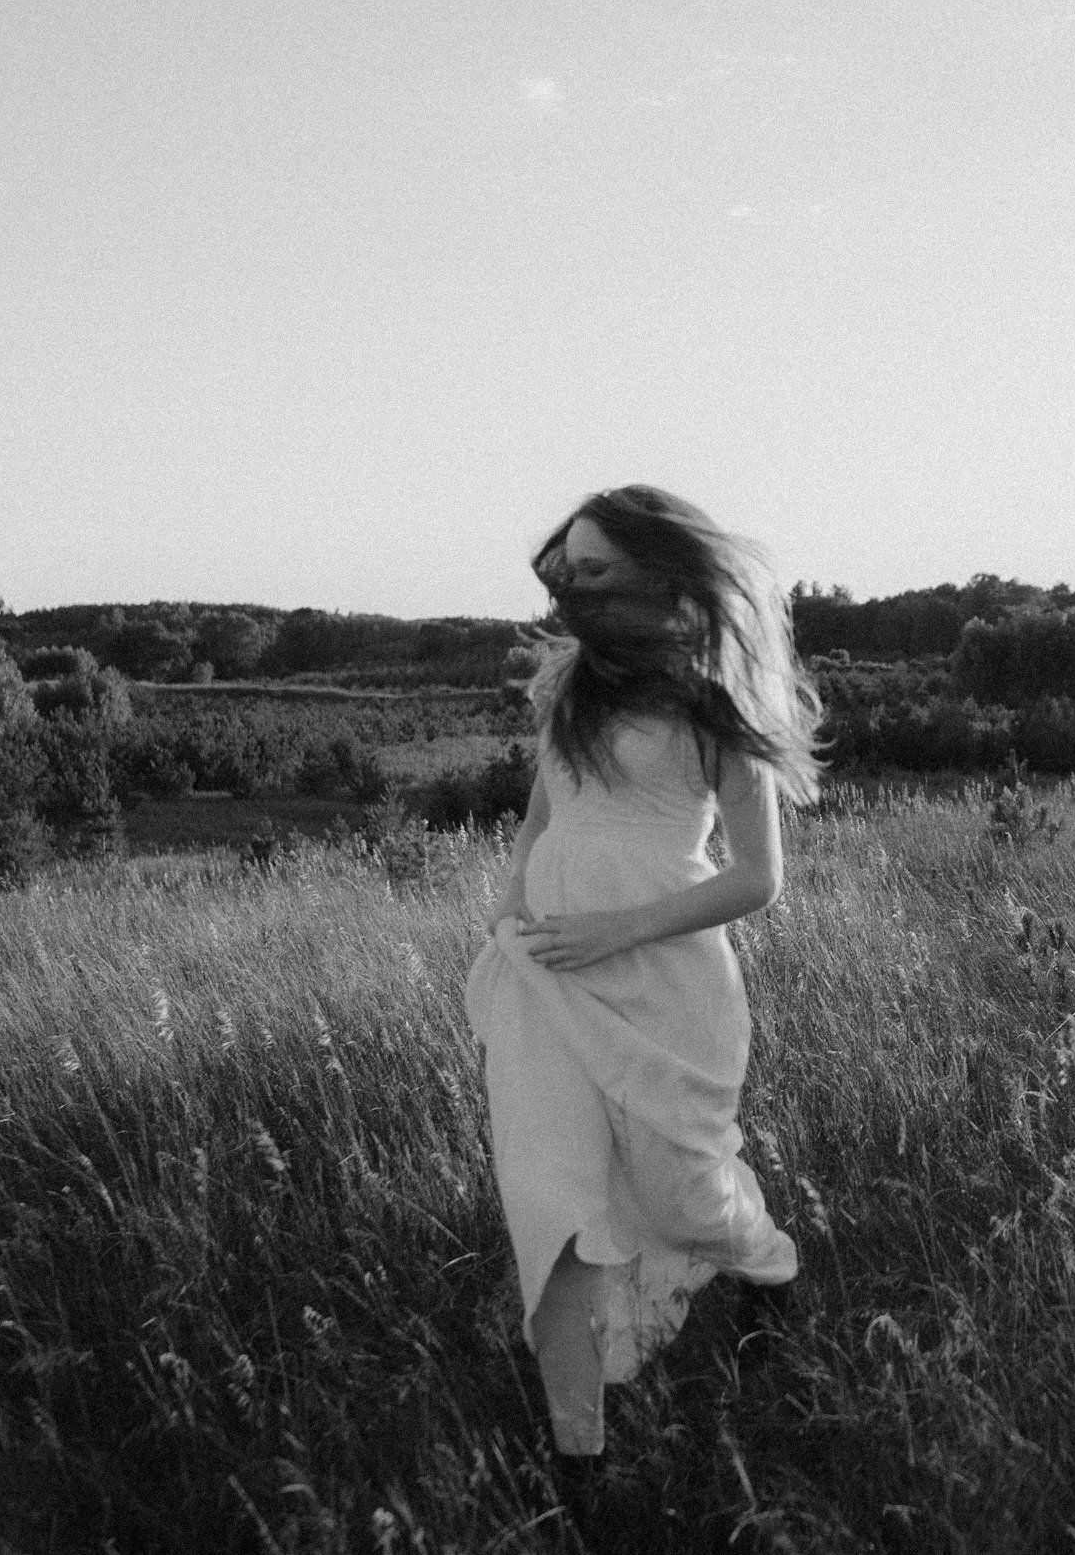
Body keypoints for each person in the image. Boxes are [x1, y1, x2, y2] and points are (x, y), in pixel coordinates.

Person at [461, 485, 818, 1469]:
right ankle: (579, 1459)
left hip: (667, 984)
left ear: (662, 577)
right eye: (565, 569)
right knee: (556, 1205)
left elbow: (756, 874)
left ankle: (767, 1268)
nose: (573, 587)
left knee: (679, 1200)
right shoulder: (564, 686)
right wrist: (509, 908)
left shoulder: (717, 701)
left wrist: (623, 924)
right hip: (546, 979)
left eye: (596, 570)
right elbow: (543, 816)